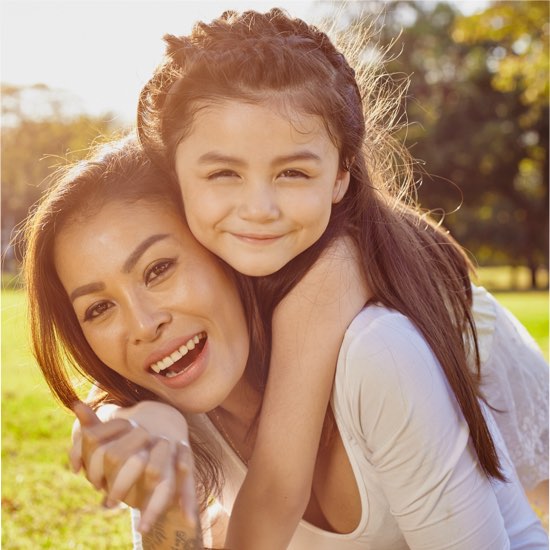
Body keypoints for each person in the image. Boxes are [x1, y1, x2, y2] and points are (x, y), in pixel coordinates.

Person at [134, 7, 548, 547]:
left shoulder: (331, 278)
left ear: (340, 177)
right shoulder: (215, 267)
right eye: (224, 173)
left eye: (293, 172)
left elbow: (279, 487)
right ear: (175, 175)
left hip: (502, 406)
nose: (259, 208)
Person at [22, 135, 548, 549]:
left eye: (159, 268)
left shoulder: (368, 344)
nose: (143, 324)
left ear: (219, 243)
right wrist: (168, 508)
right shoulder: (158, 419)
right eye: (98, 308)